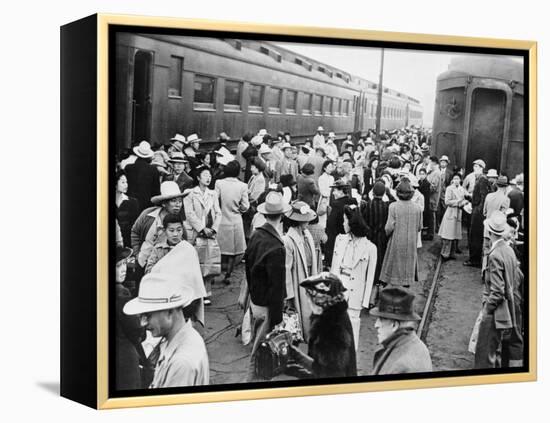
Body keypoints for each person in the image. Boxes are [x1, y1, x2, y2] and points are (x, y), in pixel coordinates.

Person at [123, 274, 209, 388]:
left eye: (148, 315)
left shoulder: (181, 363)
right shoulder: (185, 338)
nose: (143, 323)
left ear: (169, 312)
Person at [244, 191, 290, 381]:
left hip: (255, 301)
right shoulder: (276, 246)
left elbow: (247, 267)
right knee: (261, 354)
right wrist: (278, 319)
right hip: (267, 307)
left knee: (259, 347)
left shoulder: (256, 235)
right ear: (282, 216)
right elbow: (276, 287)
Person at [475, 211, 523, 369]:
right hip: (508, 310)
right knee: (496, 351)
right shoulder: (508, 250)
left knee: (484, 355)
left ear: (489, 232)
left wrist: (486, 310)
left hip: (495, 314)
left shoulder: (494, 254)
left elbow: (497, 291)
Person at [286, 273, 357, 379]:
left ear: (320, 300)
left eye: (309, 296)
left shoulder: (331, 327)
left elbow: (329, 373)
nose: (308, 300)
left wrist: (296, 359)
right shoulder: (333, 316)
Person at [331, 205, 377, 351]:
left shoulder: (370, 248)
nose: (343, 224)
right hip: (339, 290)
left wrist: (365, 301)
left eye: (345, 221)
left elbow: (370, 277)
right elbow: (334, 267)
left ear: (352, 223)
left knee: (352, 328)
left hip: (356, 292)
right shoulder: (340, 240)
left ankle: (351, 360)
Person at [130, 181, 187, 278]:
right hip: (143, 261)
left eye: (180, 201)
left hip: (165, 269)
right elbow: (135, 232)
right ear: (164, 203)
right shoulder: (148, 214)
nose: (178, 205)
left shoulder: (178, 222)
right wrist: (136, 253)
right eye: (173, 201)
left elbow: (184, 243)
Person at [370, 287, 432, 375]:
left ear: (394, 325)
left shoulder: (401, 365)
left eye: (380, 320)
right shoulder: (413, 343)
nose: (376, 325)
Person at [183, 166, 222, 304]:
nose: (208, 177)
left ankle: (206, 292)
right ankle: (195, 292)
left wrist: (214, 228)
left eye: (210, 175)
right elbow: (189, 214)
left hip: (210, 232)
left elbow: (218, 212)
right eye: (205, 175)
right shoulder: (190, 193)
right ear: (198, 177)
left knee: (209, 260)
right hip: (195, 232)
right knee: (195, 261)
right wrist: (201, 228)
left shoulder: (213, 193)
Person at [115, 246, 151, 390]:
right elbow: (135, 330)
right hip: (124, 354)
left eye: (124, 263)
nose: (123, 269)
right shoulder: (121, 294)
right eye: (118, 266)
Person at [283, 201, 320, 343]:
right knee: (298, 318)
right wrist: (289, 295)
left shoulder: (307, 235)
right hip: (297, 280)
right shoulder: (288, 240)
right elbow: (286, 269)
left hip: (309, 278)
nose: (308, 222)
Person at [379, 180, 422, 287]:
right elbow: (419, 227)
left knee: (394, 261)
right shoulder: (417, 208)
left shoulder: (393, 206)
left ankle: (392, 280)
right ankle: (407, 281)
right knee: (408, 260)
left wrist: (387, 235)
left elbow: (389, 227)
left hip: (397, 239)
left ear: (398, 193)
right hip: (411, 239)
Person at [215, 160, 249, 284]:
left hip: (221, 219)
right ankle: (228, 274)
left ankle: (215, 274)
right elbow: (245, 206)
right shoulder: (242, 186)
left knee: (219, 249)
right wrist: (239, 208)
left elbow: (215, 200)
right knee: (233, 252)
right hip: (235, 220)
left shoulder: (219, 183)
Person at [361, 180, 390, 285]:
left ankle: (370, 279)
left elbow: (364, 221)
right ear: (384, 193)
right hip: (382, 236)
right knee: (380, 257)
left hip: (370, 236)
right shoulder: (386, 206)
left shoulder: (367, 205)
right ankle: (380, 279)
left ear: (373, 192)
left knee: (370, 258)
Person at [325, 180, 357, 268]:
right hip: (351, 238)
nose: (333, 193)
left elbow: (331, 225)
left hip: (338, 240)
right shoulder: (353, 202)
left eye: (334, 190)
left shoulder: (336, 205)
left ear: (341, 191)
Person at [465, 161, 491, 267]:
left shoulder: (482, 179)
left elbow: (484, 197)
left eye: (477, 167)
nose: (474, 168)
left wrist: (478, 211)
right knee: (473, 235)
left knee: (475, 236)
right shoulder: (479, 179)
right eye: (474, 166)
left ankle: (474, 260)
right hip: (475, 208)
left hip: (477, 213)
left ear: (482, 168)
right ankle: (474, 258)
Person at [125, 140, 161, 213]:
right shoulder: (153, 170)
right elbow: (156, 192)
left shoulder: (128, 168)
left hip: (129, 205)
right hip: (147, 206)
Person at [438, 174, 468, 260]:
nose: (456, 180)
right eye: (455, 178)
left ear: (460, 180)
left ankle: (452, 253)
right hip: (451, 212)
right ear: (452, 180)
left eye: (458, 178)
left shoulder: (462, 189)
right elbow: (447, 201)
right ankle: (445, 253)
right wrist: (459, 202)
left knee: (455, 235)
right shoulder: (449, 188)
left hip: (458, 213)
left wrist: (465, 201)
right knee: (448, 235)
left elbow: (467, 196)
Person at [116, 169, 140, 247]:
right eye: (123, 182)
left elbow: (135, 228)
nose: (126, 185)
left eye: (126, 182)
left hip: (128, 244)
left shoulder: (133, 202)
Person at [425, 155, 441, 240]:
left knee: (431, 216)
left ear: (433, 162)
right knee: (430, 215)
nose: (429, 164)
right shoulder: (433, 172)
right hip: (430, 198)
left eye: (430, 162)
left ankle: (431, 234)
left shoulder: (436, 173)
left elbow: (433, 186)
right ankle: (429, 233)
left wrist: (425, 188)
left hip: (432, 198)